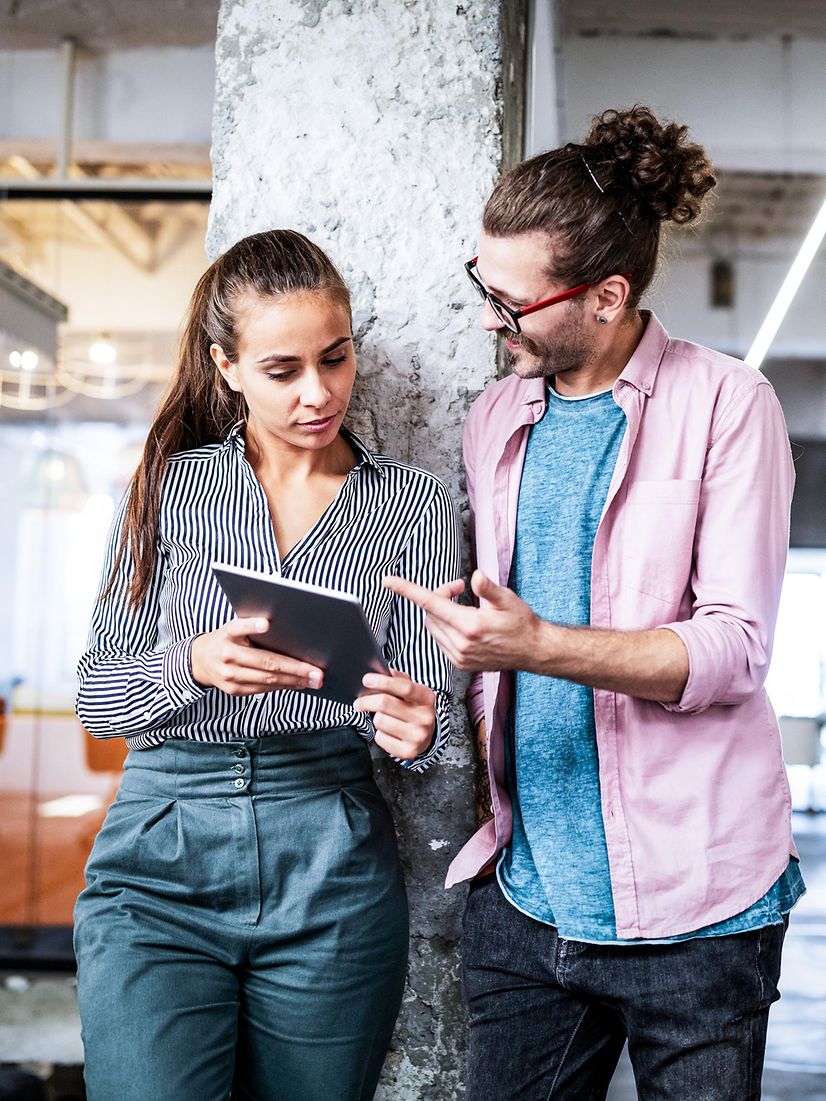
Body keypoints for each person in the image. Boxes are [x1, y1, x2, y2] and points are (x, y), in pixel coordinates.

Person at [385, 106, 804, 1100]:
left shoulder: (728, 406)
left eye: (515, 301)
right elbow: (497, 636)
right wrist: (430, 697)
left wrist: (538, 644)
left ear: (606, 296)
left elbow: (732, 650)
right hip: (525, 906)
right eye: (482, 286)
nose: (492, 317)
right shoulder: (496, 417)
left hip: (701, 917)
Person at [74, 229, 458, 1101]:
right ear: (227, 366)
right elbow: (97, 696)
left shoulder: (412, 504)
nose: (320, 394)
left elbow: (426, 722)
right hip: (159, 851)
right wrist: (192, 666)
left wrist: (420, 727)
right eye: (283, 370)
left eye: (337, 357)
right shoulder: (168, 486)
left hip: (330, 853)